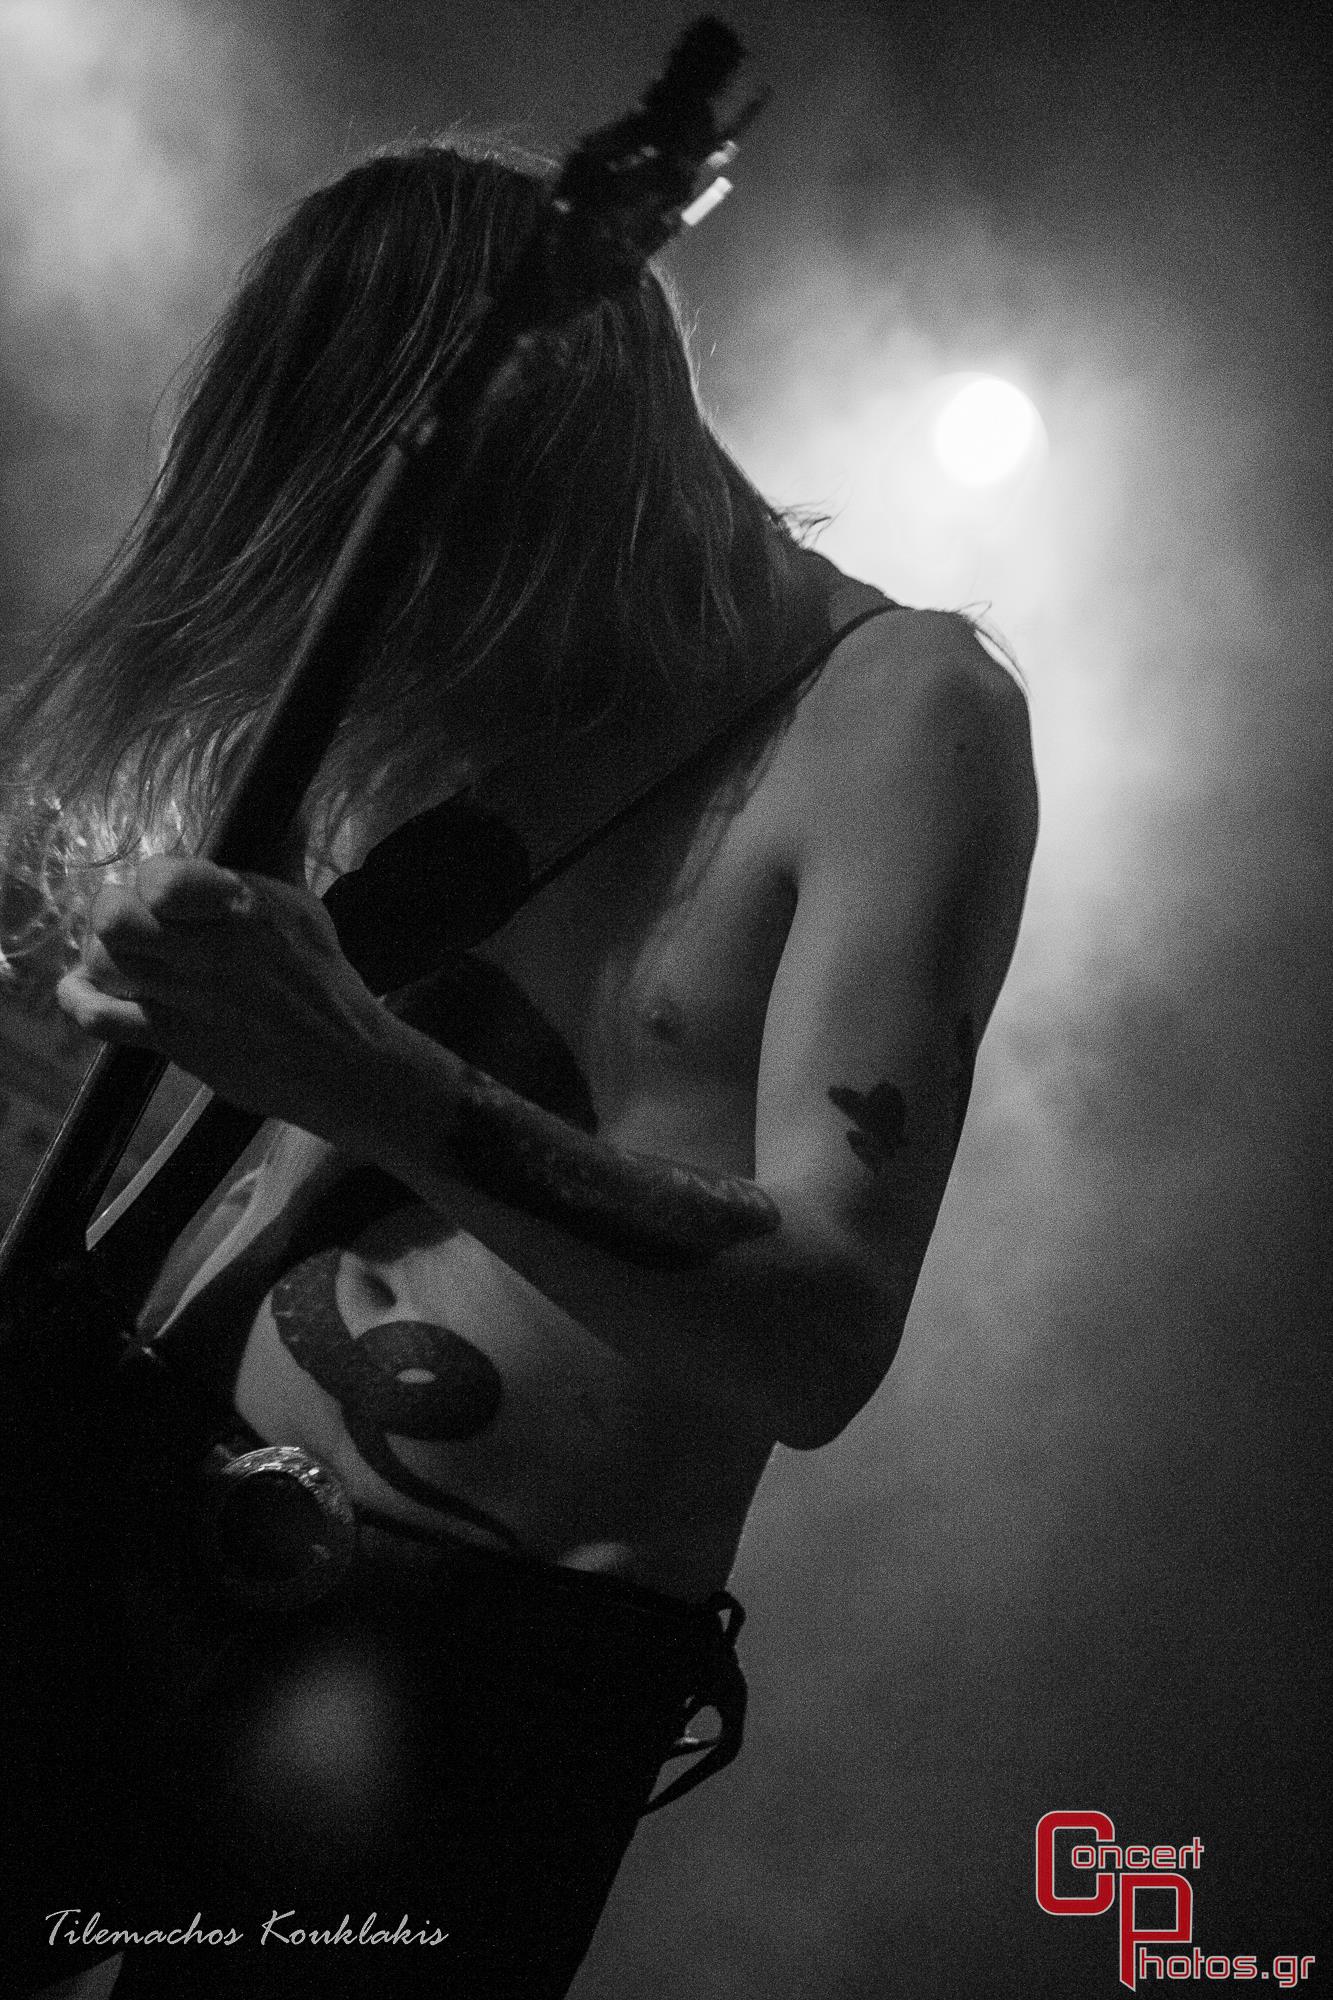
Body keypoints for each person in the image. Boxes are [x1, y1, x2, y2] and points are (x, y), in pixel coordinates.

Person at [1, 140, 1037, 1999]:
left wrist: (361, 1068)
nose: (402, 609)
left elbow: (818, 1336)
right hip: (125, 1534)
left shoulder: (904, 714)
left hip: (450, 1693)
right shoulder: (487, 678)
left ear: (560, 454)